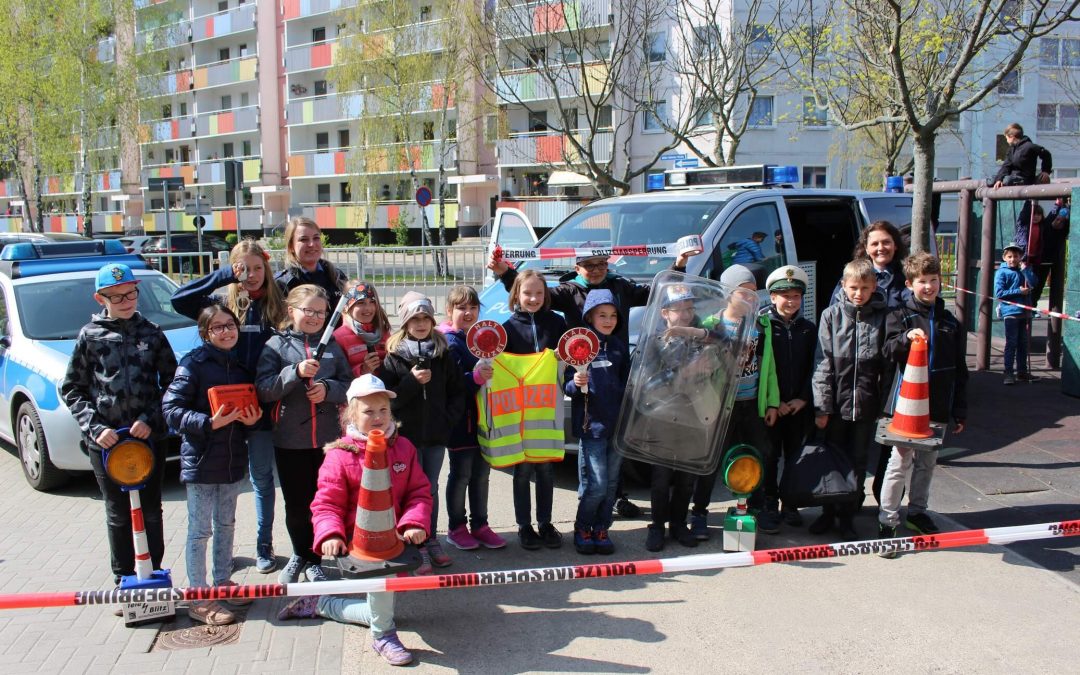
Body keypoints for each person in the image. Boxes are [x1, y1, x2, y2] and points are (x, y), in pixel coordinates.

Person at [278, 374, 431, 667]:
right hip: (356, 543)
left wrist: (413, 523)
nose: (377, 417)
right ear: (350, 413)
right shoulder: (339, 455)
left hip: (393, 538)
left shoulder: (404, 448)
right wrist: (330, 535)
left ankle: (323, 603)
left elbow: (419, 493)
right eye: (368, 411)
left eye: (383, 410)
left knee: (384, 600)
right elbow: (326, 503)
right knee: (383, 597)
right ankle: (383, 636)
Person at [61, 263, 177, 603]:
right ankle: (123, 578)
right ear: (101, 298)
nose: (126, 301)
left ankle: (154, 574)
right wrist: (96, 428)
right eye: (117, 296)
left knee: (151, 509)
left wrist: (150, 419)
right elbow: (72, 389)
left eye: (131, 293)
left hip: (145, 439)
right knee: (117, 512)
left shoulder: (152, 332)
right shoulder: (90, 336)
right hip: (107, 442)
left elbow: (172, 385)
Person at [171, 238, 287, 574]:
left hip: (262, 410)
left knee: (262, 479)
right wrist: (225, 276)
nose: (250, 275)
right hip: (226, 413)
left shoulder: (277, 304)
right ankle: (223, 559)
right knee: (231, 486)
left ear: (266, 267)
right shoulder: (224, 306)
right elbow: (180, 299)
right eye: (242, 268)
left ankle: (263, 547)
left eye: (255, 268)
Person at [162, 305, 263, 626]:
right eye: (218, 328)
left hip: (232, 460)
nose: (226, 332)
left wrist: (253, 421)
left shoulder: (241, 365)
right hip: (202, 461)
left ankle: (222, 583)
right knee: (200, 531)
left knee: (227, 526)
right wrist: (208, 422)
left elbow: (248, 409)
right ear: (206, 333)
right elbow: (171, 409)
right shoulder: (193, 364)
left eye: (230, 325)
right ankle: (198, 595)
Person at [256, 284, 352, 584]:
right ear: (291, 311)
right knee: (297, 503)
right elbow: (264, 389)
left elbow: (348, 386)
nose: (313, 316)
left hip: (328, 441)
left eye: (320, 312)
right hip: (290, 441)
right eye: (307, 310)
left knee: (326, 500)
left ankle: (318, 558)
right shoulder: (275, 346)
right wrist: (294, 373)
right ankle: (301, 553)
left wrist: (327, 390)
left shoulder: (334, 346)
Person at [878, 253, 967, 550]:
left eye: (933, 280)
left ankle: (917, 512)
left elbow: (960, 369)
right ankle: (887, 520)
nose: (928, 287)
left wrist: (960, 409)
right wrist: (905, 337)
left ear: (941, 281)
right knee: (899, 462)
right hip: (906, 409)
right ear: (909, 284)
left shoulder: (950, 321)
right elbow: (888, 350)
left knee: (927, 463)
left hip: (938, 406)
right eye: (921, 282)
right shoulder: (898, 314)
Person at [689, 265, 779, 538]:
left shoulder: (762, 326)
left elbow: (769, 366)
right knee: (711, 461)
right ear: (729, 293)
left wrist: (772, 402)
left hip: (751, 403)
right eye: (744, 293)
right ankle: (700, 512)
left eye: (754, 293)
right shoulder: (711, 325)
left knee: (758, 455)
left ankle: (756, 506)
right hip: (720, 407)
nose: (751, 299)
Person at [381, 292, 466, 574]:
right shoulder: (393, 356)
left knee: (429, 488)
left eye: (425, 318)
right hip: (406, 438)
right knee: (406, 490)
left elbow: (457, 393)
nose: (420, 324)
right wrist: (412, 382)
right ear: (405, 321)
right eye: (415, 318)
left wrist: (447, 421)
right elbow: (389, 400)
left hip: (435, 437)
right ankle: (411, 544)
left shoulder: (443, 354)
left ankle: (430, 540)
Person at [830, 220, 908, 502]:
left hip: (894, 373)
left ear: (895, 245)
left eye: (886, 242)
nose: (880, 248)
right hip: (853, 378)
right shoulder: (852, 278)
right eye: (874, 243)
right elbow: (835, 324)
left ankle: (885, 501)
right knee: (846, 449)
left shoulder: (904, 278)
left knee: (890, 446)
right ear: (866, 247)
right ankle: (841, 503)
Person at [812, 258, 888, 540]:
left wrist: (883, 406)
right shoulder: (831, 316)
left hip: (866, 405)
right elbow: (823, 363)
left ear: (874, 287)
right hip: (836, 406)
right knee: (832, 460)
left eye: (865, 288)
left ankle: (847, 516)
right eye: (854, 287)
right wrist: (822, 405)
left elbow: (885, 364)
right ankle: (827, 513)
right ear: (843, 286)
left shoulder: (882, 316)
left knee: (858, 462)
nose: (859, 293)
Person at [643, 284, 717, 552]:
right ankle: (657, 526)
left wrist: (701, 368)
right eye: (679, 309)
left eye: (689, 308)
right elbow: (647, 383)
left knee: (687, 477)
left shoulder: (701, 336)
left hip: (695, 415)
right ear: (664, 313)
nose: (685, 314)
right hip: (663, 418)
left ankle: (678, 524)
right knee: (661, 477)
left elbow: (718, 361)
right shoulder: (654, 341)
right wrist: (683, 375)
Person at [499, 269, 567, 550]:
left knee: (546, 471)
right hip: (519, 412)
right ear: (516, 294)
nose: (533, 298)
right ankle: (524, 527)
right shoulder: (506, 328)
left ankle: (546, 523)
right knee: (523, 471)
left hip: (547, 409)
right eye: (527, 293)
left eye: (539, 293)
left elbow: (566, 361)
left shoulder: (557, 323)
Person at [438, 286, 507, 551]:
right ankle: (456, 528)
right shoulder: (448, 341)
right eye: (461, 307)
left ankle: (481, 525)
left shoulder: (481, 337)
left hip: (483, 420)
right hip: (459, 423)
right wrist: (475, 379)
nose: (467, 312)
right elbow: (451, 386)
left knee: (481, 475)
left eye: (472, 307)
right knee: (461, 475)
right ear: (449, 311)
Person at [566, 289, 629, 555]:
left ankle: (602, 528)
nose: (608, 320)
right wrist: (575, 383)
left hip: (617, 427)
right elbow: (567, 386)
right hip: (591, 428)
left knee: (612, 484)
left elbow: (627, 384)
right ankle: (583, 527)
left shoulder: (618, 347)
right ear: (589, 316)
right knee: (596, 484)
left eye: (613, 315)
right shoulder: (579, 345)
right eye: (602, 315)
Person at [762, 265, 817, 527]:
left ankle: (791, 504)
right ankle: (770, 503)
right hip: (773, 407)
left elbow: (815, 366)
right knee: (770, 456)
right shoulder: (763, 327)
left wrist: (803, 398)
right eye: (785, 296)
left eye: (796, 296)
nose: (791, 301)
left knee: (795, 456)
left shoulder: (808, 329)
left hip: (798, 407)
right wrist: (776, 402)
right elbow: (763, 369)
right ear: (772, 297)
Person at [992, 123, 1053, 260]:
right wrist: (999, 179)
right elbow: (1006, 165)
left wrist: (1046, 171)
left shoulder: (1030, 147)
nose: (1006, 141)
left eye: (1006, 138)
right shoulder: (1012, 150)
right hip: (1013, 177)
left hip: (1024, 178)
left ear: (1011, 136)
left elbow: (1046, 154)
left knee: (1009, 181)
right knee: (993, 181)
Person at [274, 216, 347, 308]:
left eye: (316, 238)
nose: (311, 244)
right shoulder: (282, 284)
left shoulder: (337, 277)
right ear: (291, 247)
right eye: (304, 239)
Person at [995, 242, 1038, 385]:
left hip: (1024, 312)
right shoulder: (1002, 272)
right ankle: (1008, 372)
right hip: (1011, 312)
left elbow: (1034, 283)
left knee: (1023, 343)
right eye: (1010, 256)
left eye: (1016, 256)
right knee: (1011, 343)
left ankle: (1022, 372)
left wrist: (1026, 271)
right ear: (1004, 257)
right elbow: (999, 294)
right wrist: (1019, 291)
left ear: (1020, 257)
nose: (1013, 259)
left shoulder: (1024, 270)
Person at [333, 281, 391, 378]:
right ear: (347, 307)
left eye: (372, 302)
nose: (368, 308)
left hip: (385, 389)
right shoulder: (338, 338)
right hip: (358, 391)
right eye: (360, 302)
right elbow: (338, 376)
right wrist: (363, 370)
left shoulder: (383, 332)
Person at [1031, 199, 1070, 307]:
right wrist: (1059, 203)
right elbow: (1053, 212)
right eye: (1058, 219)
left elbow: (1064, 222)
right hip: (1035, 260)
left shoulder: (1061, 233)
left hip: (1047, 262)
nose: (1058, 221)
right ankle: (1029, 305)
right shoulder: (1047, 223)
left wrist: (1069, 207)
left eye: (1061, 221)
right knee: (1031, 285)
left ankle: (1032, 306)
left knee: (1038, 288)